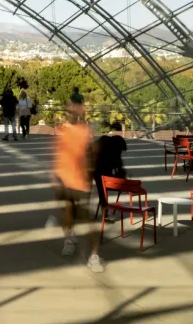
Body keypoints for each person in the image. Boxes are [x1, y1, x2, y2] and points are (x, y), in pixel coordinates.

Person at [54, 101, 103, 271]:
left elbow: (93, 155)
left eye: (74, 111)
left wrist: (89, 177)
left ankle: (94, 256)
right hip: (66, 180)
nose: (71, 114)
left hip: (81, 182)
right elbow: (60, 154)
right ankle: (68, 240)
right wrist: (57, 176)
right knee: (67, 214)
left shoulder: (85, 132)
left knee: (88, 219)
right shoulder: (63, 130)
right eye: (68, 111)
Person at [93, 121, 127, 218]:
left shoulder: (103, 143)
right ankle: (104, 207)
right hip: (103, 173)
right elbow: (119, 167)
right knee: (103, 184)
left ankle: (104, 207)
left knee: (101, 188)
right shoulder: (115, 152)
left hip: (97, 171)